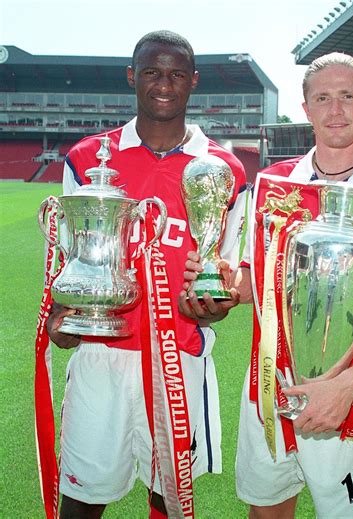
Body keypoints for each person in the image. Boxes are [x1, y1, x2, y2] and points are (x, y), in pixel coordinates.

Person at [179, 52, 353, 518]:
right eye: (323, 97)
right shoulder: (270, 187)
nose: (336, 110)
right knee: (266, 510)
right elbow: (249, 277)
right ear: (306, 108)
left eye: (348, 96)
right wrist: (224, 283)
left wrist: (345, 387)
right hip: (267, 390)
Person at [45, 30, 247, 518]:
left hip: (179, 358)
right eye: (152, 72)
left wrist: (214, 304)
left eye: (177, 74)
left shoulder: (223, 169)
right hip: (102, 355)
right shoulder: (87, 159)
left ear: (193, 82)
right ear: (132, 76)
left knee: (170, 499)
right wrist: (63, 317)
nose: (164, 84)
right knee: (81, 498)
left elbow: (229, 271)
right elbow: (70, 256)